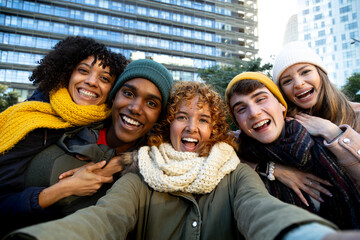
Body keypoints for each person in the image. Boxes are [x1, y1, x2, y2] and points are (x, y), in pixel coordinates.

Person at [7, 81, 360, 240]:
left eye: (203, 119)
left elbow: (259, 210)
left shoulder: (234, 173)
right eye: (182, 117)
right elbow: (104, 219)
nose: (192, 127)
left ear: (216, 129)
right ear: (166, 124)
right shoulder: (141, 173)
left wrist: (310, 235)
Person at [0, 36, 129, 236]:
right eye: (83, 70)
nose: (91, 81)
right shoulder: (30, 122)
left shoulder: (112, 122)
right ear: (67, 73)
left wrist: (114, 164)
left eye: (104, 78)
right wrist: (65, 188)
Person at [225, 72, 360, 229]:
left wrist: (334, 133)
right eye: (241, 109)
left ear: (282, 105)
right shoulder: (234, 154)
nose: (254, 113)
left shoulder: (325, 145)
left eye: (261, 99)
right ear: (238, 123)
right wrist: (269, 168)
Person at [272, 41, 360, 190]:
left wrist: (332, 132)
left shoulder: (357, 113)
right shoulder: (285, 125)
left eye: (305, 72)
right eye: (287, 81)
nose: (298, 83)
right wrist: (273, 169)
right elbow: (233, 145)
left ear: (321, 74)